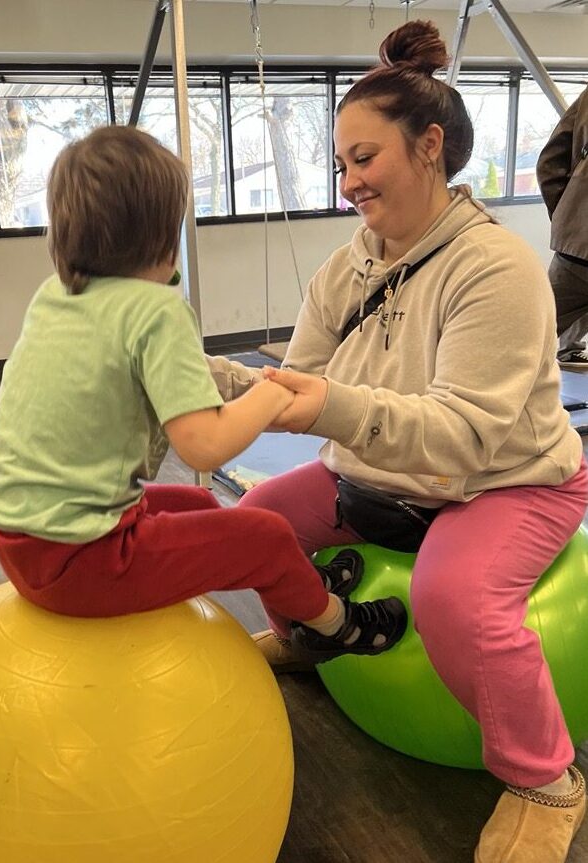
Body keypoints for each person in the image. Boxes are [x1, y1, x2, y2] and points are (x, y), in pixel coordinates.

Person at [209, 20, 587, 863]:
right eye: (340, 162)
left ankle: (547, 778)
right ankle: (312, 638)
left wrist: (330, 407)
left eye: (363, 158)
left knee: (457, 599)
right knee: (256, 526)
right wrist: (195, 374)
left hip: (508, 477)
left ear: (428, 147)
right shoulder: (346, 268)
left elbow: (461, 435)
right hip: (383, 475)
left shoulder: (496, 267)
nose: (348, 181)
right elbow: (291, 383)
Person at [0, 125, 409, 667]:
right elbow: (204, 447)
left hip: (18, 538)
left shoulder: (61, 296)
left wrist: (248, 385)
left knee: (198, 504)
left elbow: (172, 376)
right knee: (267, 535)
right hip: (79, 563)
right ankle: (334, 625)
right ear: (162, 233)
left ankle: (304, 582)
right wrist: (273, 394)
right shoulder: (157, 312)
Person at [536, 85, 588, 369]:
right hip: (576, 244)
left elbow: (550, 162)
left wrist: (568, 215)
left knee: (528, 331)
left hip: (577, 246)